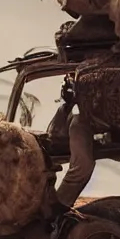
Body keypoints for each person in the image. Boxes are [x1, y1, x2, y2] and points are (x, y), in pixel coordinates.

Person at [46, 74, 96, 207]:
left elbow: (82, 167)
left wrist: (60, 204)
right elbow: (53, 134)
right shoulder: (66, 112)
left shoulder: (80, 119)